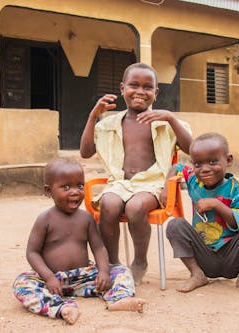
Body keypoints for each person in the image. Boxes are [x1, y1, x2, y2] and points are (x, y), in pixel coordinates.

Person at [80, 62, 192, 286]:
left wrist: (170, 117)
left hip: (151, 185)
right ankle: (113, 263)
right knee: (109, 205)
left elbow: (191, 148)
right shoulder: (110, 124)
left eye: (147, 87)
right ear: (122, 88)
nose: (140, 91)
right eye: (134, 85)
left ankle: (140, 261)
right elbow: (86, 151)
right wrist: (93, 116)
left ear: (156, 93)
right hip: (120, 184)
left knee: (134, 207)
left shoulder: (165, 122)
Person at [12, 158, 146, 325]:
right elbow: (32, 253)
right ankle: (61, 308)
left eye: (79, 186)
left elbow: (98, 248)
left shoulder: (86, 219)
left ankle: (118, 298)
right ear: (48, 191)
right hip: (52, 280)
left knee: (121, 271)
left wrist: (104, 271)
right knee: (22, 284)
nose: (75, 191)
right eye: (66, 187)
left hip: (84, 277)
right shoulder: (44, 219)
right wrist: (48, 277)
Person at [162, 132, 239, 295]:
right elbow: (177, 168)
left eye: (213, 162)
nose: (204, 169)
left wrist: (216, 204)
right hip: (203, 256)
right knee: (175, 225)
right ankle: (197, 274)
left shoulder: (237, 188)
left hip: (233, 257)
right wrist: (166, 188)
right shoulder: (194, 180)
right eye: (198, 164)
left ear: (229, 160)